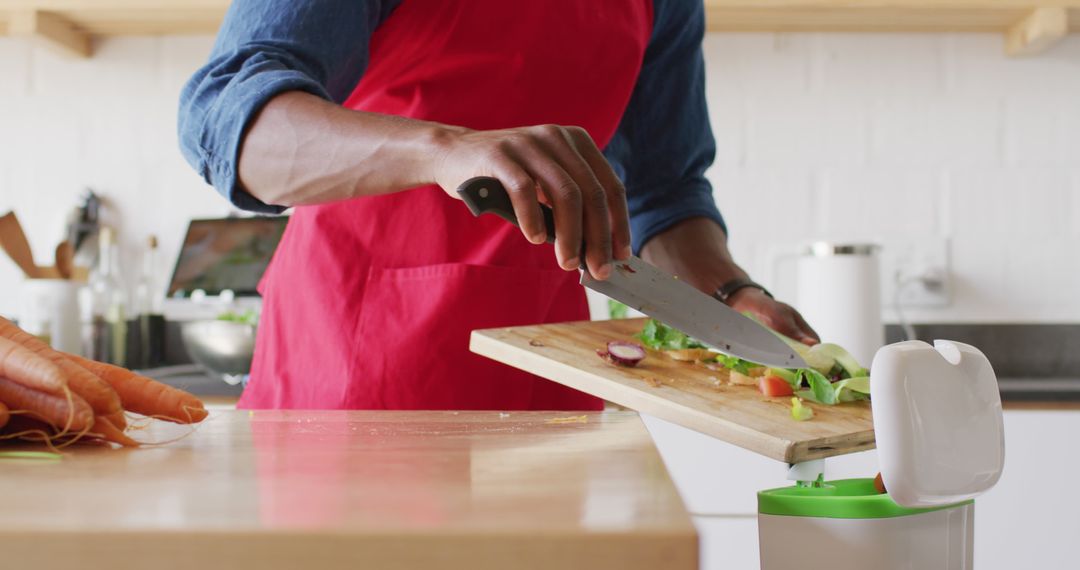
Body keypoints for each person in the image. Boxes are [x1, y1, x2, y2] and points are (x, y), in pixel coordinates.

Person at [178, 0, 818, 411]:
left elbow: (665, 191)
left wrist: (730, 292)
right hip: (348, 378)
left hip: (549, 380)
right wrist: (444, 150)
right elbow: (232, 123)